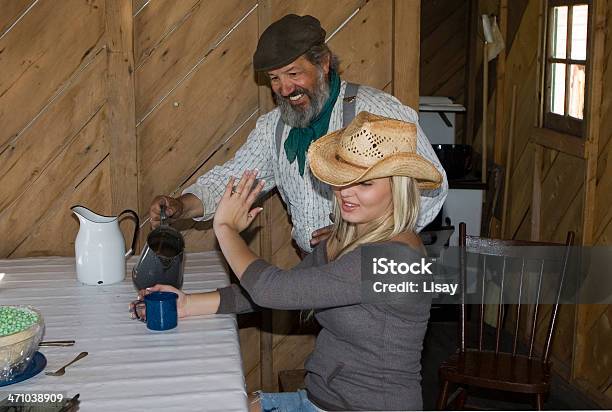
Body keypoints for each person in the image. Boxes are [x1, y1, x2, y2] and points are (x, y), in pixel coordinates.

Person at [135, 112, 442, 411]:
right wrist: (188, 304)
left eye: (365, 183)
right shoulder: (345, 238)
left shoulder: (394, 259)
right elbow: (280, 288)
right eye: (343, 177)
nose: (345, 192)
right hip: (321, 399)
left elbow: (273, 291)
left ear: (398, 187)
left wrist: (225, 230)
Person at [148, 14, 448, 255]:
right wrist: (180, 206)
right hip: (314, 273)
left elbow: (433, 188)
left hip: (373, 268)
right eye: (274, 79)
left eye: (293, 73)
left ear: (323, 63)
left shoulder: (374, 111)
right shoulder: (274, 128)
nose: (284, 88)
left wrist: (361, 237)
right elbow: (232, 183)